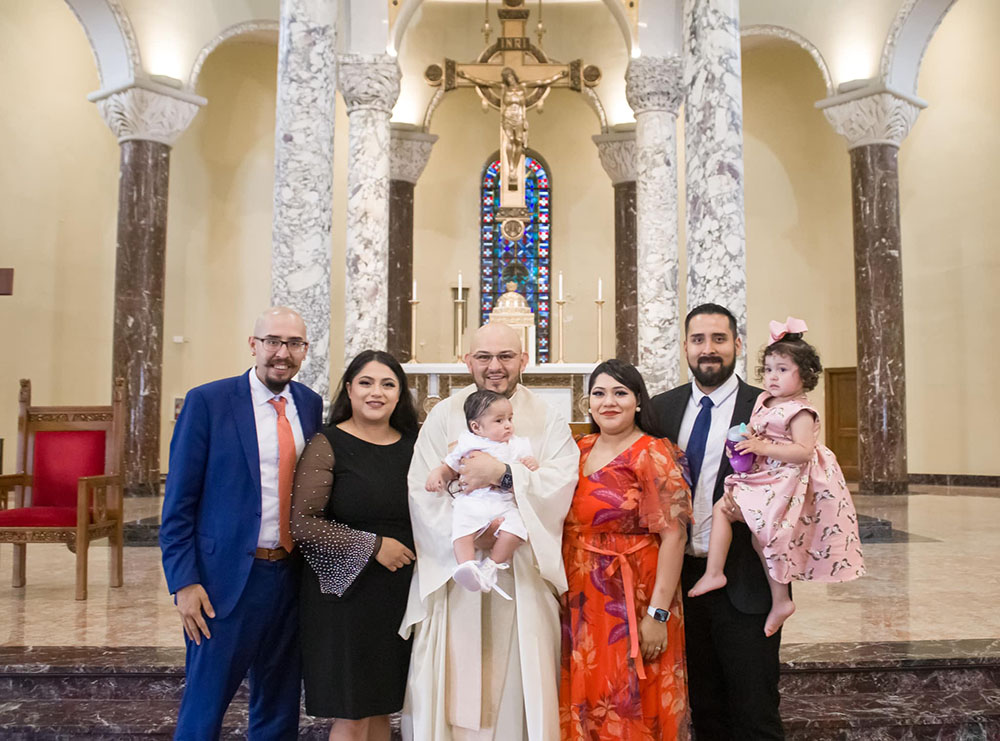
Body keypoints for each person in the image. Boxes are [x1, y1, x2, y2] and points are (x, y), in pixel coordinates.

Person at [401, 322, 580, 741]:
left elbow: (561, 483)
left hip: (520, 571)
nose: (494, 366)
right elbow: (421, 489)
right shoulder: (445, 415)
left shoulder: (547, 418)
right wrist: (474, 533)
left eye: (505, 356)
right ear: (467, 361)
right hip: (457, 572)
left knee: (520, 693)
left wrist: (502, 475)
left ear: (524, 359)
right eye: (483, 356)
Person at [159, 306, 323, 740]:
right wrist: (184, 582)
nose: (282, 353)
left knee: (278, 707)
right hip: (223, 584)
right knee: (203, 711)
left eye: (293, 344)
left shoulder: (309, 404)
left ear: (305, 350)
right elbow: (178, 505)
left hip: (290, 577)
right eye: (273, 341)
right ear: (253, 345)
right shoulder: (208, 402)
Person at [651, 303, 785, 740]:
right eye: (698, 339)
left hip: (745, 579)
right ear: (685, 348)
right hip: (683, 580)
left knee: (754, 709)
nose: (708, 349)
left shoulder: (766, 408)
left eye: (719, 339)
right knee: (704, 709)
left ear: (737, 345)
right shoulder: (660, 411)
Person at [688, 318, 865, 637]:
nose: (772, 376)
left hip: (787, 481)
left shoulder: (800, 411)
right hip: (763, 476)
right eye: (769, 369)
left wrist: (761, 445)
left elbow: (802, 451)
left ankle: (767, 593)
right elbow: (756, 433)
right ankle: (727, 577)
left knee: (765, 534)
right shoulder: (765, 402)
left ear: (805, 375)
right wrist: (743, 446)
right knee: (738, 521)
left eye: (782, 369)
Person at [291, 350, 419, 741]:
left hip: (399, 592)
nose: (375, 392)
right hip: (345, 593)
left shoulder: (415, 444)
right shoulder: (327, 442)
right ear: (349, 389)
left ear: (400, 394)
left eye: (387, 384)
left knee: (382, 708)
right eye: (366, 382)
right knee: (353, 713)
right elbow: (303, 525)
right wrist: (374, 545)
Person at [560, 359, 692, 740]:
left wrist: (658, 614)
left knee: (632, 698)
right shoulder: (579, 449)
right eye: (599, 394)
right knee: (591, 696)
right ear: (588, 403)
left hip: (635, 597)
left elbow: (674, 537)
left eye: (620, 393)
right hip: (583, 597)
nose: (609, 402)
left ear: (638, 401)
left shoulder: (652, 453)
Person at [425, 389, 539, 597]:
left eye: (510, 419)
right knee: (461, 530)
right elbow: (451, 466)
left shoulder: (516, 444)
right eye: (499, 420)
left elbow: (526, 471)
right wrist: (438, 473)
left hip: (503, 502)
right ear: (476, 427)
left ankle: (492, 566)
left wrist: (530, 463)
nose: (508, 425)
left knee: (516, 530)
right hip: (473, 501)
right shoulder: (467, 443)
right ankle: (466, 565)